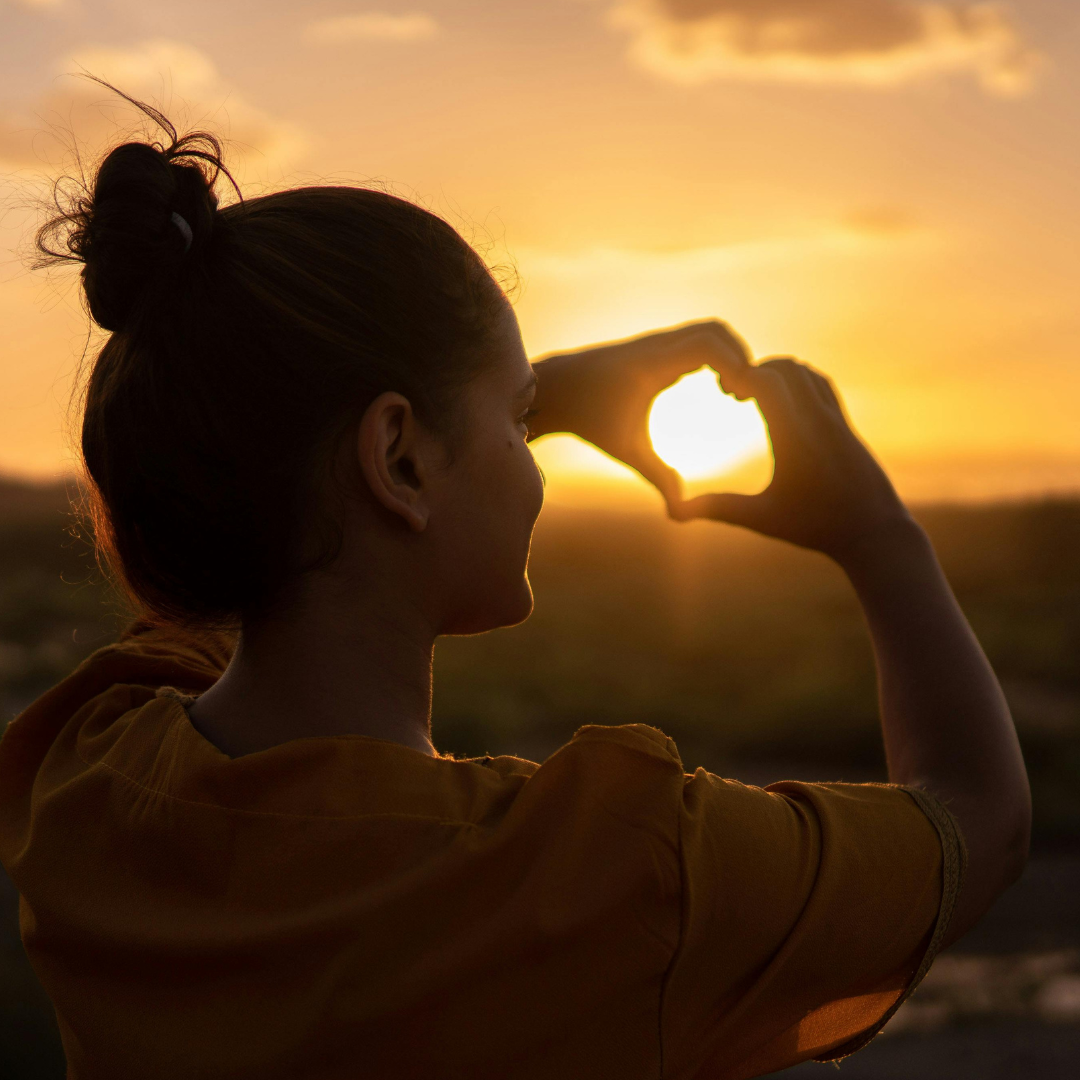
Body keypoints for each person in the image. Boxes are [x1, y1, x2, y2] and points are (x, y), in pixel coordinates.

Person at [0, 96, 1030, 1080]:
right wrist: (879, 536)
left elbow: (256, 513)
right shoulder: (610, 874)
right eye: (517, 414)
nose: (532, 453)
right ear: (398, 459)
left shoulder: (93, 771)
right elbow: (978, 820)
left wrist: (512, 402)